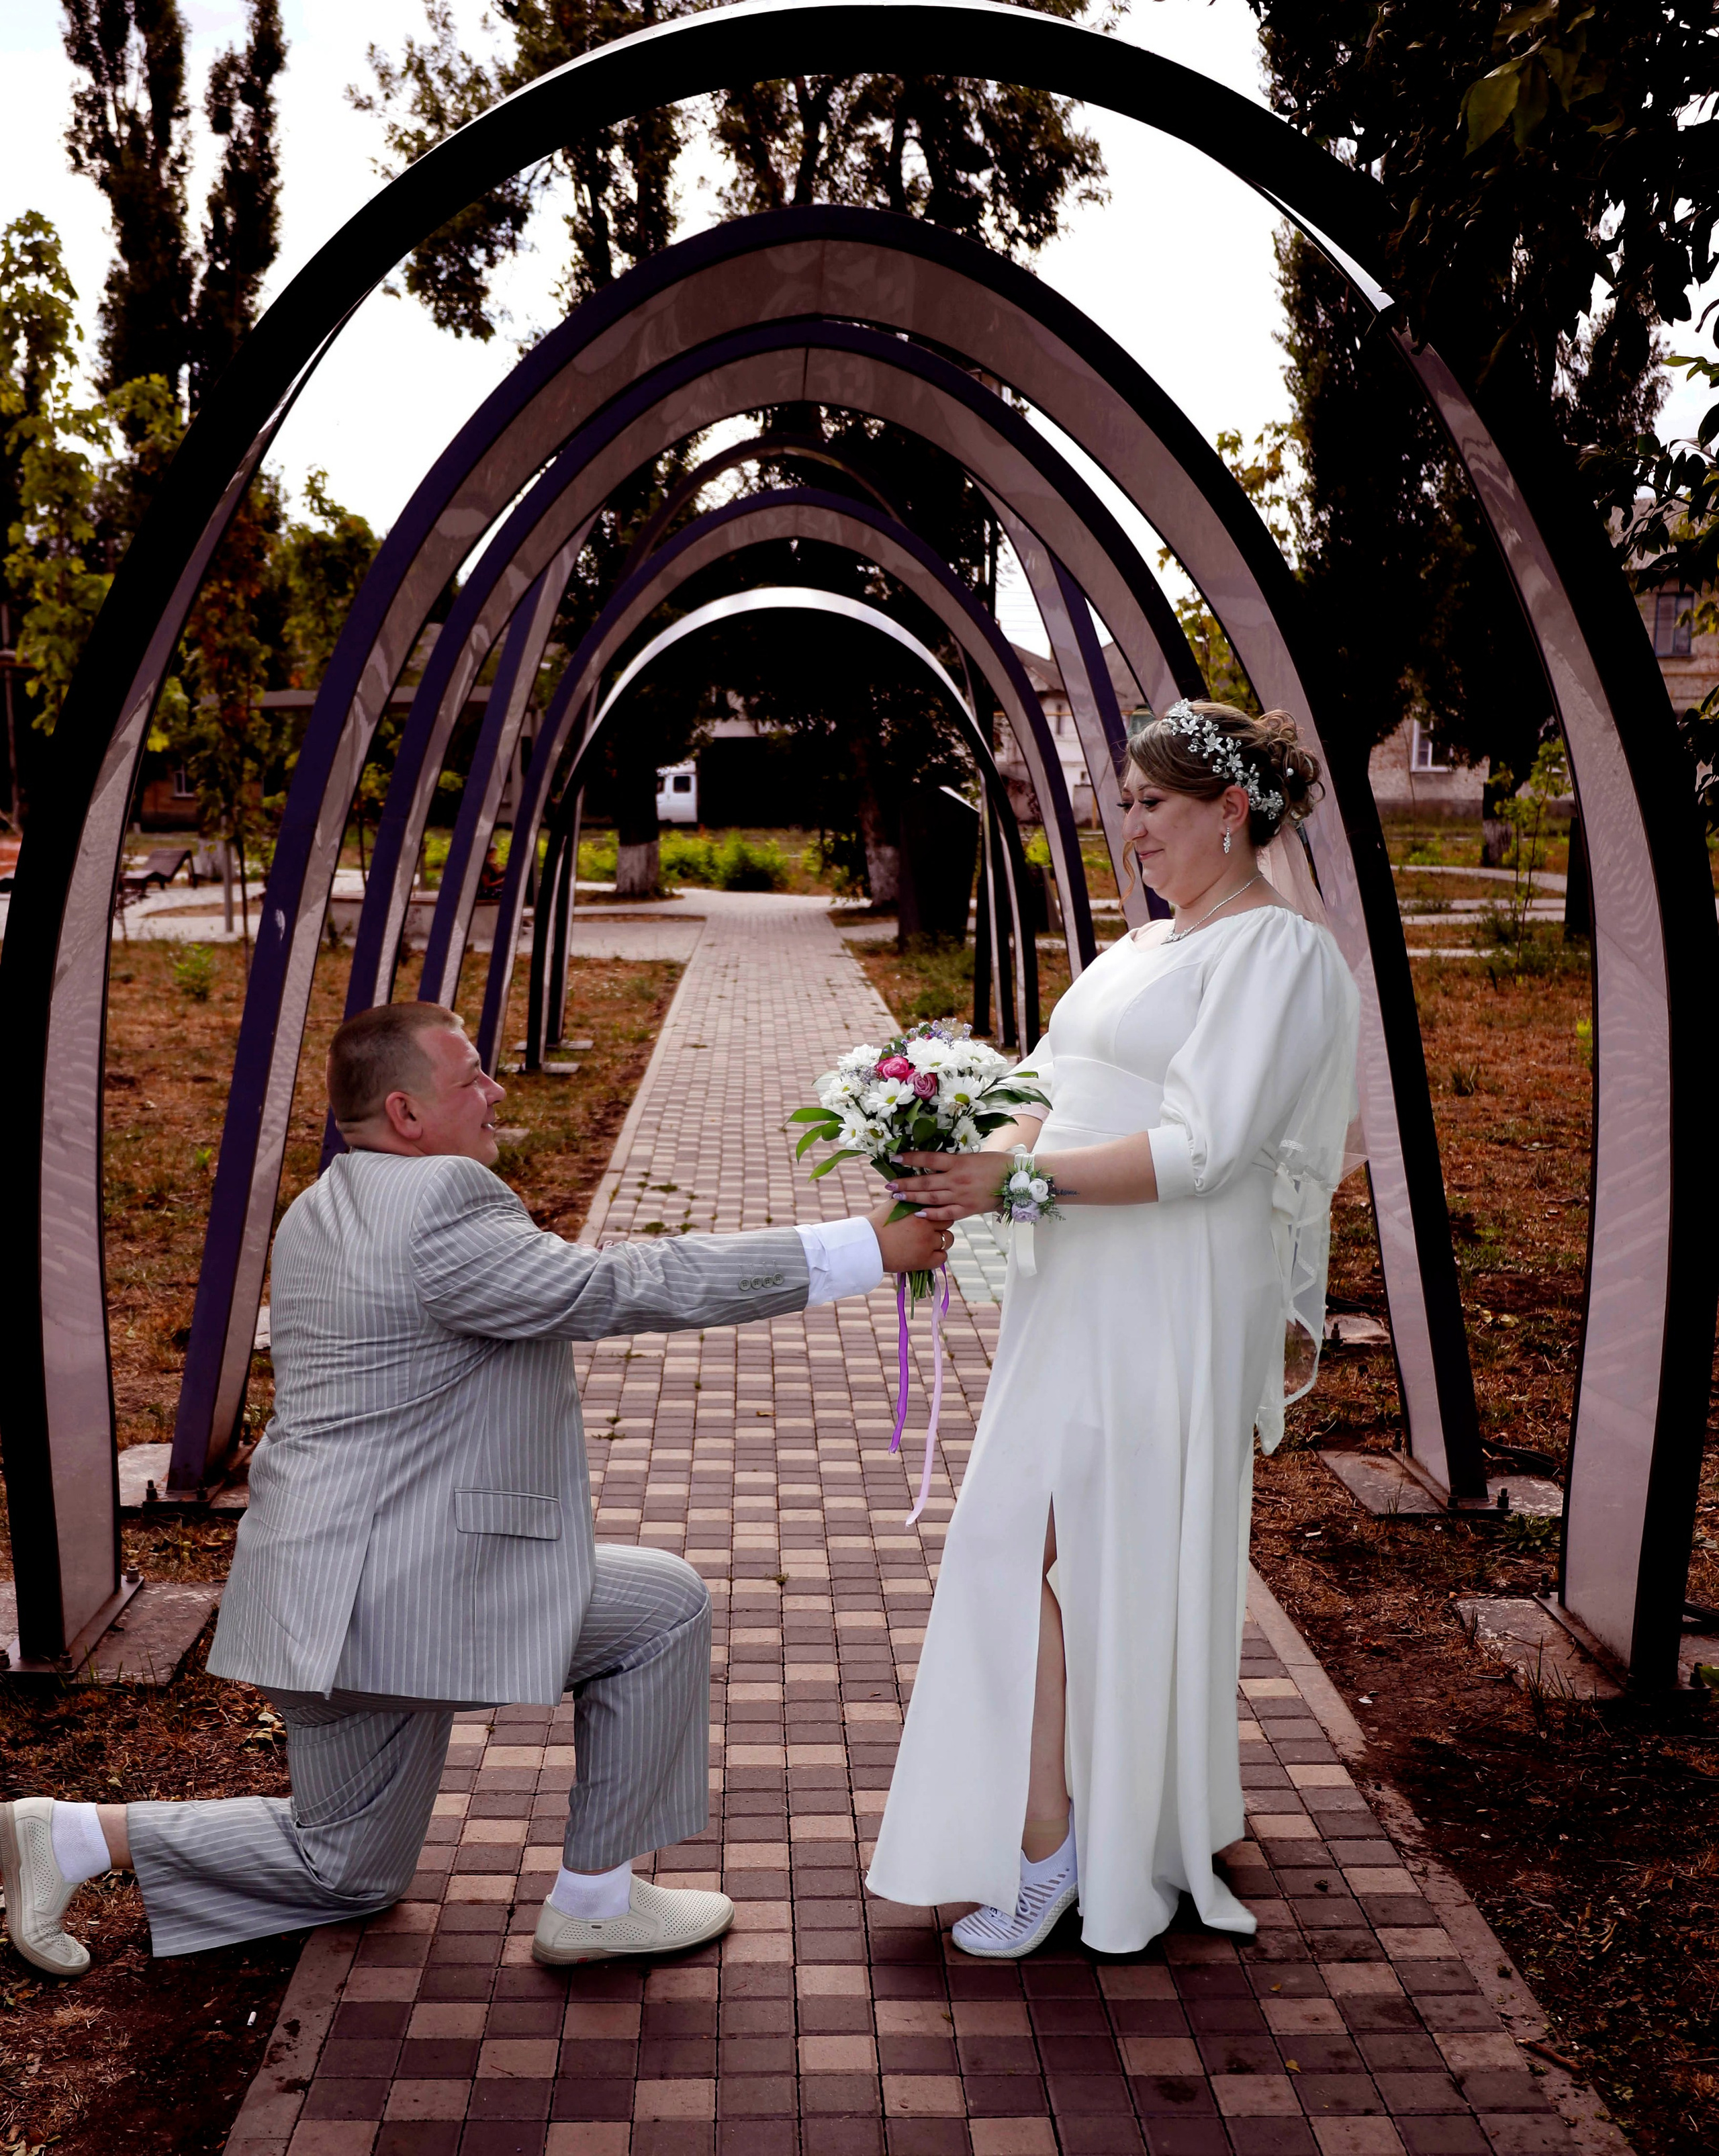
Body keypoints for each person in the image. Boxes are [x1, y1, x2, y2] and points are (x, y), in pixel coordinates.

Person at [1, 1001, 947, 1977]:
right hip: (397, 1597)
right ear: (407, 1114)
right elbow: (618, 1284)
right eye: (473, 1077)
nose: (496, 1091)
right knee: (662, 1608)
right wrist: (865, 1249)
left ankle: (71, 1835)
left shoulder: (321, 1208)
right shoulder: (444, 1200)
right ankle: (596, 1903)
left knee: (348, 1869)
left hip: (308, 1606)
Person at [866, 699, 1360, 1957]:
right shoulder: (1139, 949)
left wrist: (1025, 1184)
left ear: (1231, 809)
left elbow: (1209, 1146)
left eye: (1153, 804)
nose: (1128, 827)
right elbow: (1041, 1091)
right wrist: (960, 1158)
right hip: (1072, 1293)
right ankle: (1074, 1822)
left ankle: (1064, 1847)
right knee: (1016, 1550)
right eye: (1123, 804)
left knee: (1089, 1557)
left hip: (1160, 1297)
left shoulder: (1279, 956)